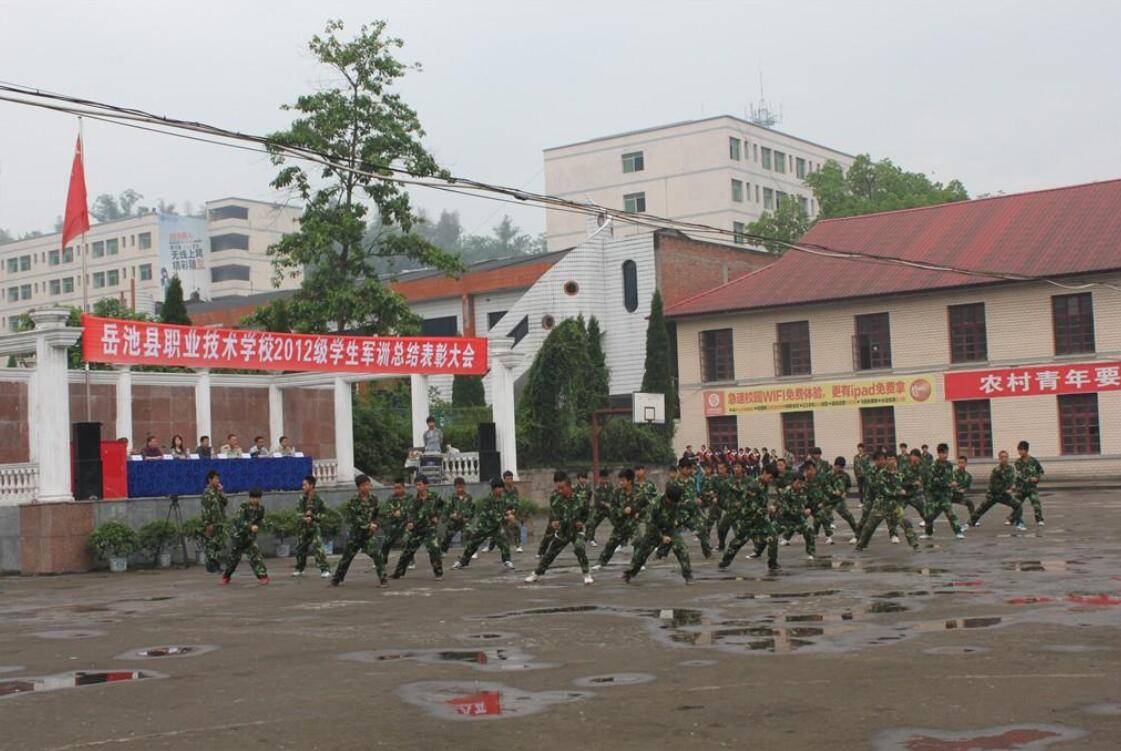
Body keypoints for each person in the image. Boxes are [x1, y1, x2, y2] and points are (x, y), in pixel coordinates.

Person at [525, 473, 593, 585]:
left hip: (577, 530)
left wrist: (582, 522)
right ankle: (536, 573)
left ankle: (586, 573)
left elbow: (588, 514)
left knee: (579, 547)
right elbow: (554, 516)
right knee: (550, 553)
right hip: (563, 530)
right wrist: (554, 523)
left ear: (569, 487)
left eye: (562, 488)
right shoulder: (556, 499)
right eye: (558, 488)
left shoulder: (581, 498)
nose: (560, 490)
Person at [624, 484, 693, 584]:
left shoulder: (677, 500)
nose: (673, 504)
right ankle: (631, 573)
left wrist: (678, 520)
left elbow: (685, 513)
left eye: (675, 502)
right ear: (667, 497)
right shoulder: (655, 503)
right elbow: (650, 524)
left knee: (682, 549)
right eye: (671, 502)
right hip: (654, 531)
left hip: (670, 529)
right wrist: (661, 537)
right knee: (641, 556)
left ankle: (688, 576)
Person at [331, 474, 388, 587]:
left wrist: (376, 523)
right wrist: (368, 525)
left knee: (377, 554)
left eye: (368, 484)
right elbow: (355, 519)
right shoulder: (353, 501)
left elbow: (377, 515)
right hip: (356, 536)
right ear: (359, 487)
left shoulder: (374, 499)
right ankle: (336, 579)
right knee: (346, 558)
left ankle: (383, 579)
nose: (368, 487)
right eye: (365, 485)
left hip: (368, 536)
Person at [856, 451, 919, 551]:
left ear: (896, 461)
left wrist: (914, 485)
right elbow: (884, 490)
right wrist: (898, 492)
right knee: (869, 527)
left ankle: (914, 545)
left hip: (895, 505)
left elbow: (907, 485)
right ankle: (860, 546)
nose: (891, 461)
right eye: (889, 459)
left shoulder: (900, 474)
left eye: (893, 459)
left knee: (906, 523)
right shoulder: (881, 474)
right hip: (881, 505)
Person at [719, 464, 778, 572]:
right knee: (737, 543)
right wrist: (767, 510)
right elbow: (751, 508)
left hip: (760, 520)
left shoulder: (763, 484)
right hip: (748, 520)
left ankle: (773, 564)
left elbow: (762, 502)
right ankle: (723, 563)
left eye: (773, 479)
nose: (771, 480)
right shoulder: (753, 486)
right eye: (770, 477)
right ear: (764, 472)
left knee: (773, 536)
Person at [453, 477, 517, 571]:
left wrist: (509, 512)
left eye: (501, 488)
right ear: (493, 489)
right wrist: (507, 517)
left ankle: (507, 561)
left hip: (496, 527)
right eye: (498, 488)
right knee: (472, 544)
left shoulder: (503, 498)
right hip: (484, 526)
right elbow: (494, 516)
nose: (500, 490)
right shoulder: (488, 500)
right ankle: (463, 562)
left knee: (504, 542)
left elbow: (506, 507)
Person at [392, 476, 446, 580]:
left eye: (419, 484)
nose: (417, 487)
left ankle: (438, 573)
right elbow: (410, 513)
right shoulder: (414, 500)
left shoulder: (435, 497)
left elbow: (443, 507)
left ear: (426, 485)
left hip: (429, 529)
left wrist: (437, 516)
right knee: (407, 551)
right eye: (416, 485)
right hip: (417, 529)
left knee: (434, 549)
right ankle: (398, 573)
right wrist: (410, 523)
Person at [592, 468, 643, 569]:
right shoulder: (617, 492)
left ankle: (637, 563)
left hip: (632, 523)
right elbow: (613, 507)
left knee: (638, 540)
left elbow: (644, 506)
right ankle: (601, 562)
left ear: (630, 481)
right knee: (611, 544)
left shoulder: (638, 492)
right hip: (620, 523)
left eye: (623, 480)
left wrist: (634, 511)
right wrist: (622, 511)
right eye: (620, 480)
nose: (620, 482)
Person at [219, 487, 269, 585]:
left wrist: (260, 526)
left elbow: (260, 520)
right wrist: (250, 527)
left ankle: (263, 576)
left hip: (249, 538)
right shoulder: (244, 507)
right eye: (253, 498)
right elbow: (240, 521)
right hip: (238, 536)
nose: (255, 500)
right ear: (249, 497)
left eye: (257, 498)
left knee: (256, 556)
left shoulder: (261, 509)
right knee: (233, 559)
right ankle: (226, 577)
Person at [969, 451, 1022, 529]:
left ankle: (1012, 520)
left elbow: (1012, 480)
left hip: (1004, 495)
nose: (1004, 459)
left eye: (1006, 457)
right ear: (999, 459)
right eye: (1002, 457)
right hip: (993, 494)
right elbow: (994, 485)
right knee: (982, 509)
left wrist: (1012, 487)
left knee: (1018, 505)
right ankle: (970, 522)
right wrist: (1005, 490)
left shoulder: (1010, 469)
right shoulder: (996, 470)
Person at [921, 443, 965, 540]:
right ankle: (928, 533)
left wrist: (953, 482)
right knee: (929, 515)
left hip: (945, 495)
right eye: (943, 453)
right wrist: (948, 484)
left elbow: (950, 477)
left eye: (946, 453)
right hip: (934, 494)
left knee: (950, 513)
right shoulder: (933, 466)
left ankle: (958, 532)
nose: (945, 455)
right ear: (939, 454)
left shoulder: (949, 465)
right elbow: (934, 481)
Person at [293, 475, 331, 578]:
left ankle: (325, 569)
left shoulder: (319, 500)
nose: (303, 487)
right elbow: (298, 513)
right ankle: (300, 568)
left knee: (318, 547)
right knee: (301, 548)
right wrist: (304, 518)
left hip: (314, 527)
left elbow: (324, 514)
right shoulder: (302, 499)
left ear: (312, 485)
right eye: (303, 485)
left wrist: (313, 517)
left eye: (305, 485)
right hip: (303, 528)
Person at [822, 457, 860, 542]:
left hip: (839, 500)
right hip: (829, 499)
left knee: (848, 516)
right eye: (838, 467)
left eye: (841, 467)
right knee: (825, 517)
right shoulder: (828, 475)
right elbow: (826, 486)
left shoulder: (845, 475)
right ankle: (829, 537)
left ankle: (857, 532)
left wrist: (845, 493)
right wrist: (834, 492)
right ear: (835, 465)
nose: (839, 469)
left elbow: (848, 486)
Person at [200, 470, 229, 573]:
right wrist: (208, 524)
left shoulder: (217, 491)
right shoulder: (207, 492)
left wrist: (221, 492)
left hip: (219, 521)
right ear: (210, 480)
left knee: (217, 545)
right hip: (212, 522)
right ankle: (211, 565)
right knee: (211, 544)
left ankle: (216, 564)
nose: (218, 480)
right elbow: (205, 509)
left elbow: (225, 502)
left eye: (218, 478)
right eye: (216, 478)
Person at [1013, 440, 1045, 526]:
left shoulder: (1033, 461)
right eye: (1018, 450)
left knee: (1036, 504)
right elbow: (1020, 474)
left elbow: (1041, 471)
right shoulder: (1017, 462)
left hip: (1031, 488)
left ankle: (1039, 520)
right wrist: (1031, 479)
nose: (1019, 452)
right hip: (1020, 487)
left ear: (1026, 450)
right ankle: (1013, 519)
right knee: (1016, 504)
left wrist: (1037, 478)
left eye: (1021, 450)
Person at [379, 479, 412, 562]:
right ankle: (382, 560)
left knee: (407, 541)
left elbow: (412, 510)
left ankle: (410, 560)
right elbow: (385, 511)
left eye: (399, 488)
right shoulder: (391, 498)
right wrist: (393, 513)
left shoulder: (409, 497)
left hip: (406, 524)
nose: (397, 490)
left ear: (403, 488)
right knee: (387, 542)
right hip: (394, 524)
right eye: (395, 488)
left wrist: (403, 513)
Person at [441, 477, 476, 553]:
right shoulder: (452, 498)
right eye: (458, 487)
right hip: (454, 521)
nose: (460, 489)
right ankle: (443, 551)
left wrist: (468, 518)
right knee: (447, 535)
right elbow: (446, 511)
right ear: (455, 487)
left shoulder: (469, 498)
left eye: (461, 487)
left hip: (464, 521)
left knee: (469, 532)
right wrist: (451, 515)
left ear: (464, 486)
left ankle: (471, 551)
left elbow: (472, 510)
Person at [586, 469, 613, 547]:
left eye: (605, 478)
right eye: (602, 478)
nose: (604, 480)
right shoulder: (597, 488)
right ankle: (591, 539)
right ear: (599, 478)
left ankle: (621, 540)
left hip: (609, 508)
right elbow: (598, 501)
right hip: (599, 508)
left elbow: (612, 495)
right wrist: (606, 504)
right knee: (592, 523)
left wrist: (611, 504)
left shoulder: (610, 485)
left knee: (618, 521)